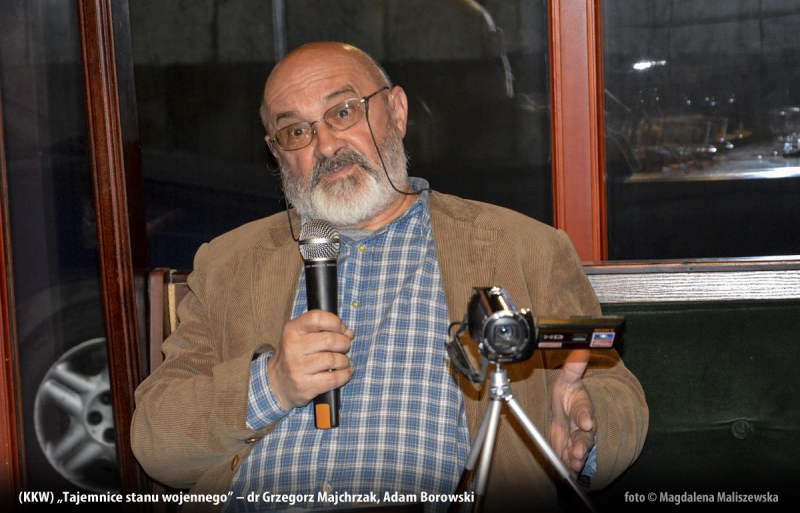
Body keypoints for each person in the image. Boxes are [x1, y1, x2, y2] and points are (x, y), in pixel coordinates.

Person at [131, 41, 648, 513]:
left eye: (343, 111)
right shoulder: (228, 263)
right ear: (276, 151)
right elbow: (156, 438)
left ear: (397, 111)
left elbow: (611, 390)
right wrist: (272, 385)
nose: (325, 145)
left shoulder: (524, 248)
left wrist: (586, 431)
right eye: (296, 131)